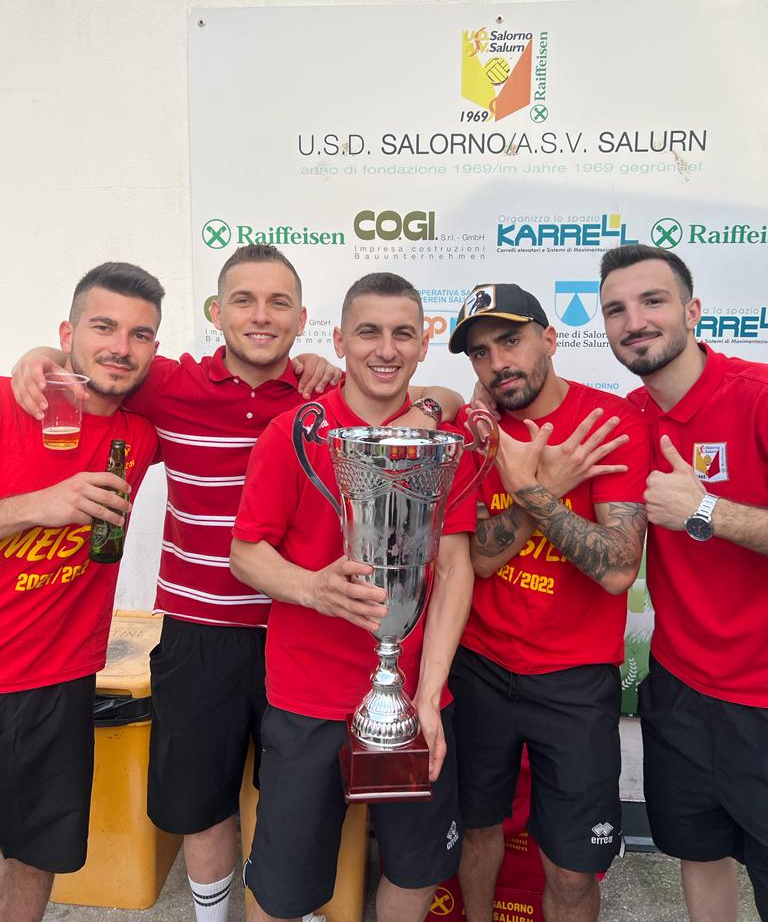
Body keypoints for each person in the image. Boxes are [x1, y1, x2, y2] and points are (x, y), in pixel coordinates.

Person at [12, 245, 458, 922]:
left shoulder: (319, 394)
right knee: (203, 802)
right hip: (203, 631)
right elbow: (96, 359)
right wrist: (40, 355)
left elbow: (429, 397)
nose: (261, 316)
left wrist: (433, 401)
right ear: (216, 313)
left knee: (294, 800)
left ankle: (290, 901)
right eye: (244, 301)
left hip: (300, 638)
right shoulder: (167, 384)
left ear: (303, 321)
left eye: (279, 303)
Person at [229, 272, 477, 922]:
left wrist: (428, 697)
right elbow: (246, 554)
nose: (385, 350)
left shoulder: (442, 443)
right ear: (339, 341)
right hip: (306, 702)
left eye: (403, 334)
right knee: (281, 894)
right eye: (369, 332)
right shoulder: (292, 433)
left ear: (423, 344)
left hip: (415, 703)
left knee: (416, 872)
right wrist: (312, 588)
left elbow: (454, 569)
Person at [446, 282, 649, 922]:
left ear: (551, 338)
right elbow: (480, 558)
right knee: (477, 830)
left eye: (510, 340)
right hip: (480, 665)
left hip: (575, 679)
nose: (497, 362)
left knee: (572, 865)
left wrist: (532, 490)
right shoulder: (474, 433)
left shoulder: (607, 424)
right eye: (480, 352)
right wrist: (549, 487)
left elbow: (617, 569)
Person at [599, 244, 768, 922]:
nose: (634, 321)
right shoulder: (628, 418)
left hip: (762, 697)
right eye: (616, 309)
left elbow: (705, 514)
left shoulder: (756, 396)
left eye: (653, 301)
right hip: (681, 691)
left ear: (693, 311)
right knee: (699, 854)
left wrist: (706, 511)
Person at [0, 262, 164, 922]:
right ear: (67, 333)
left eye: (139, 334)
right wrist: (36, 507)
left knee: (34, 855)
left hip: (58, 683)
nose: (120, 347)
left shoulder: (141, 432)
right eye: (103, 327)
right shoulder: (7, 404)